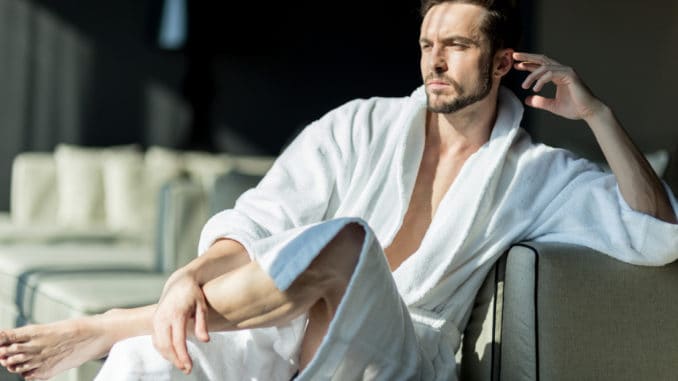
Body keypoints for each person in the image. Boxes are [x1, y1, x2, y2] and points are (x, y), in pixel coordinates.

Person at [1, 0, 677, 380]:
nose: (435, 61)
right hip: (290, 321)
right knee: (148, 358)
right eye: (426, 43)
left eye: (457, 46)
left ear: (502, 62)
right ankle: (123, 331)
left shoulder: (535, 174)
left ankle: (108, 320)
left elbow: (657, 232)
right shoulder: (360, 124)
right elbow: (262, 215)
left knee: (351, 241)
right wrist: (192, 273)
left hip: (400, 351)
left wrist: (596, 113)